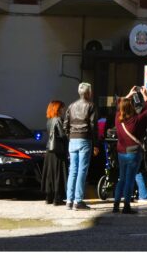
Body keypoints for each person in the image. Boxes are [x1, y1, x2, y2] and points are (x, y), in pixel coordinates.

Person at [114, 86, 147, 214]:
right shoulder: (136, 121)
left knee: (122, 179)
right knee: (130, 179)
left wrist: (129, 94)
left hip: (121, 152)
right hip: (133, 152)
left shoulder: (118, 118)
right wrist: (145, 95)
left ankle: (115, 205)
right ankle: (126, 206)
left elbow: (120, 104)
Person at [64, 82, 98, 210]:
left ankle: (69, 200)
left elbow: (65, 125)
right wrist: (96, 144)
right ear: (88, 93)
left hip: (73, 140)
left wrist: (70, 136)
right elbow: (93, 126)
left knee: (72, 170)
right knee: (82, 171)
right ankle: (78, 201)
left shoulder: (71, 106)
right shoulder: (91, 106)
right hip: (85, 139)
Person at [43, 100, 68, 206]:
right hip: (58, 150)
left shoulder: (49, 120)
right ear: (58, 109)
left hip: (50, 150)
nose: (64, 110)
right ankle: (57, 198)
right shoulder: (58, 120)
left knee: (50, 174)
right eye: (62, 108)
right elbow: (62, 135)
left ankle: (49, 197)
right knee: (58, 174)